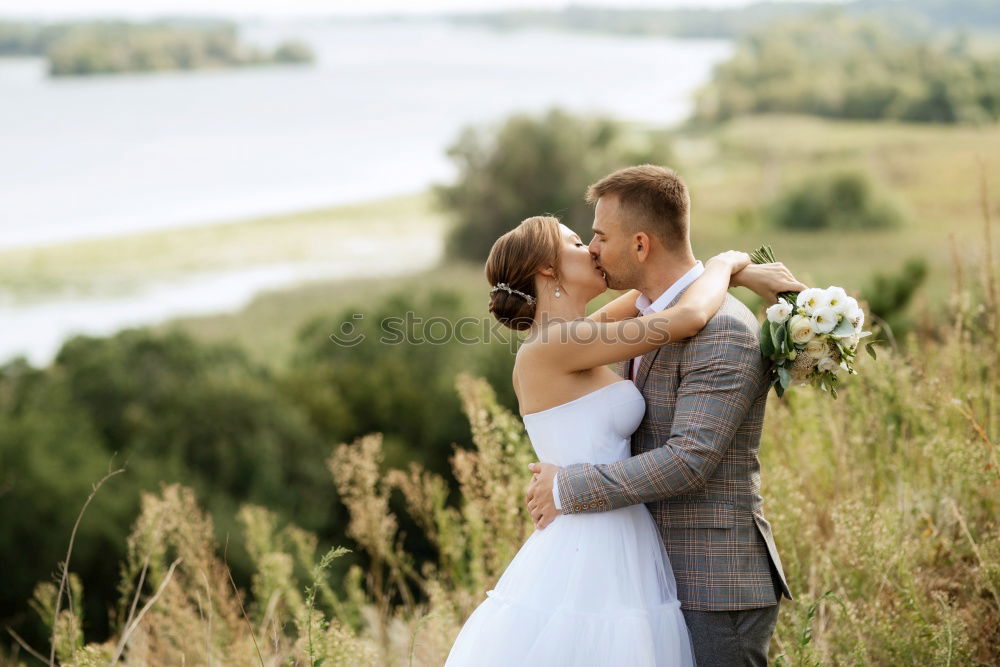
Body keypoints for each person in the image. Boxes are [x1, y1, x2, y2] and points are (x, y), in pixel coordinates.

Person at [445, 172, 802, 665]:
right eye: (578, 240)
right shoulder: (556, 346)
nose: (591, 248)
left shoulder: (581, 333)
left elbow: (665, 293)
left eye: (597, 236)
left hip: (642, 550)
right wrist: (727, 262)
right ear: (548, 271)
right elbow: (685, 316)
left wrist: (734, 272)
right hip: (596, 543)